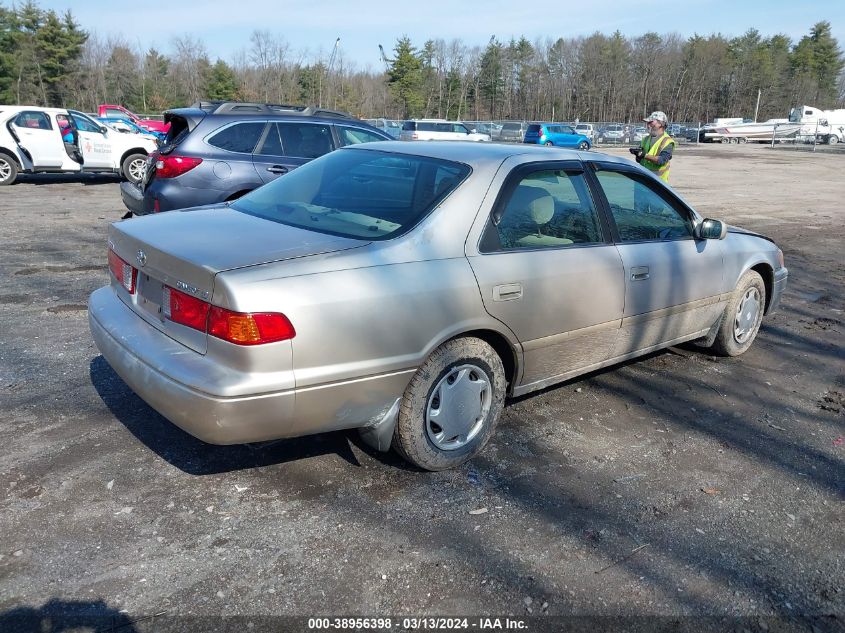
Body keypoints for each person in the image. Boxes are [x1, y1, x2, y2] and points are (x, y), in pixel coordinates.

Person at [629, 111, 675, 182]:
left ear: (660, 124)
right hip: (643, 181)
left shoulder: (667, 141)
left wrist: (644, 155)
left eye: (651, 122)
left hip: (657, 185)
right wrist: (638, 155)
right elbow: (640, 160)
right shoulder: (645, 139)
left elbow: (661, 160)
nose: (648, 125)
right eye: (648, 123)